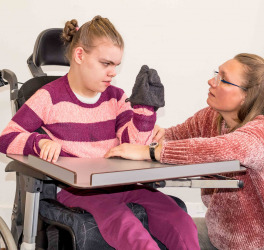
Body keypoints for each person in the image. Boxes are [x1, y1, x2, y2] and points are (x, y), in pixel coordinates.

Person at [0, 16, 199, 250]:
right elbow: (6, 138)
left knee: (179, 220)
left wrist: (145, 114)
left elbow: (132, 144)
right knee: (132, 233)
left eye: (116, 65)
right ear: (80, 55)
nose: (113, 72)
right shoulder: (48, 97)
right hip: (79, 190)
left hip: (122, 184)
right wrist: (39, 142)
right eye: (106, 63)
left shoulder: (115, 96)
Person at [105, 53, 264, 250]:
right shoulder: (211, 117)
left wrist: (151, 151)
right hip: (216, 236)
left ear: (246, 96)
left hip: (254, 245)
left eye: (222, 79)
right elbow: (175, 136)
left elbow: (224, 148)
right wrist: (149, 132)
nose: (211, 81)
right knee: (156, 233)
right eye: (216, 73)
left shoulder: (260, 132)